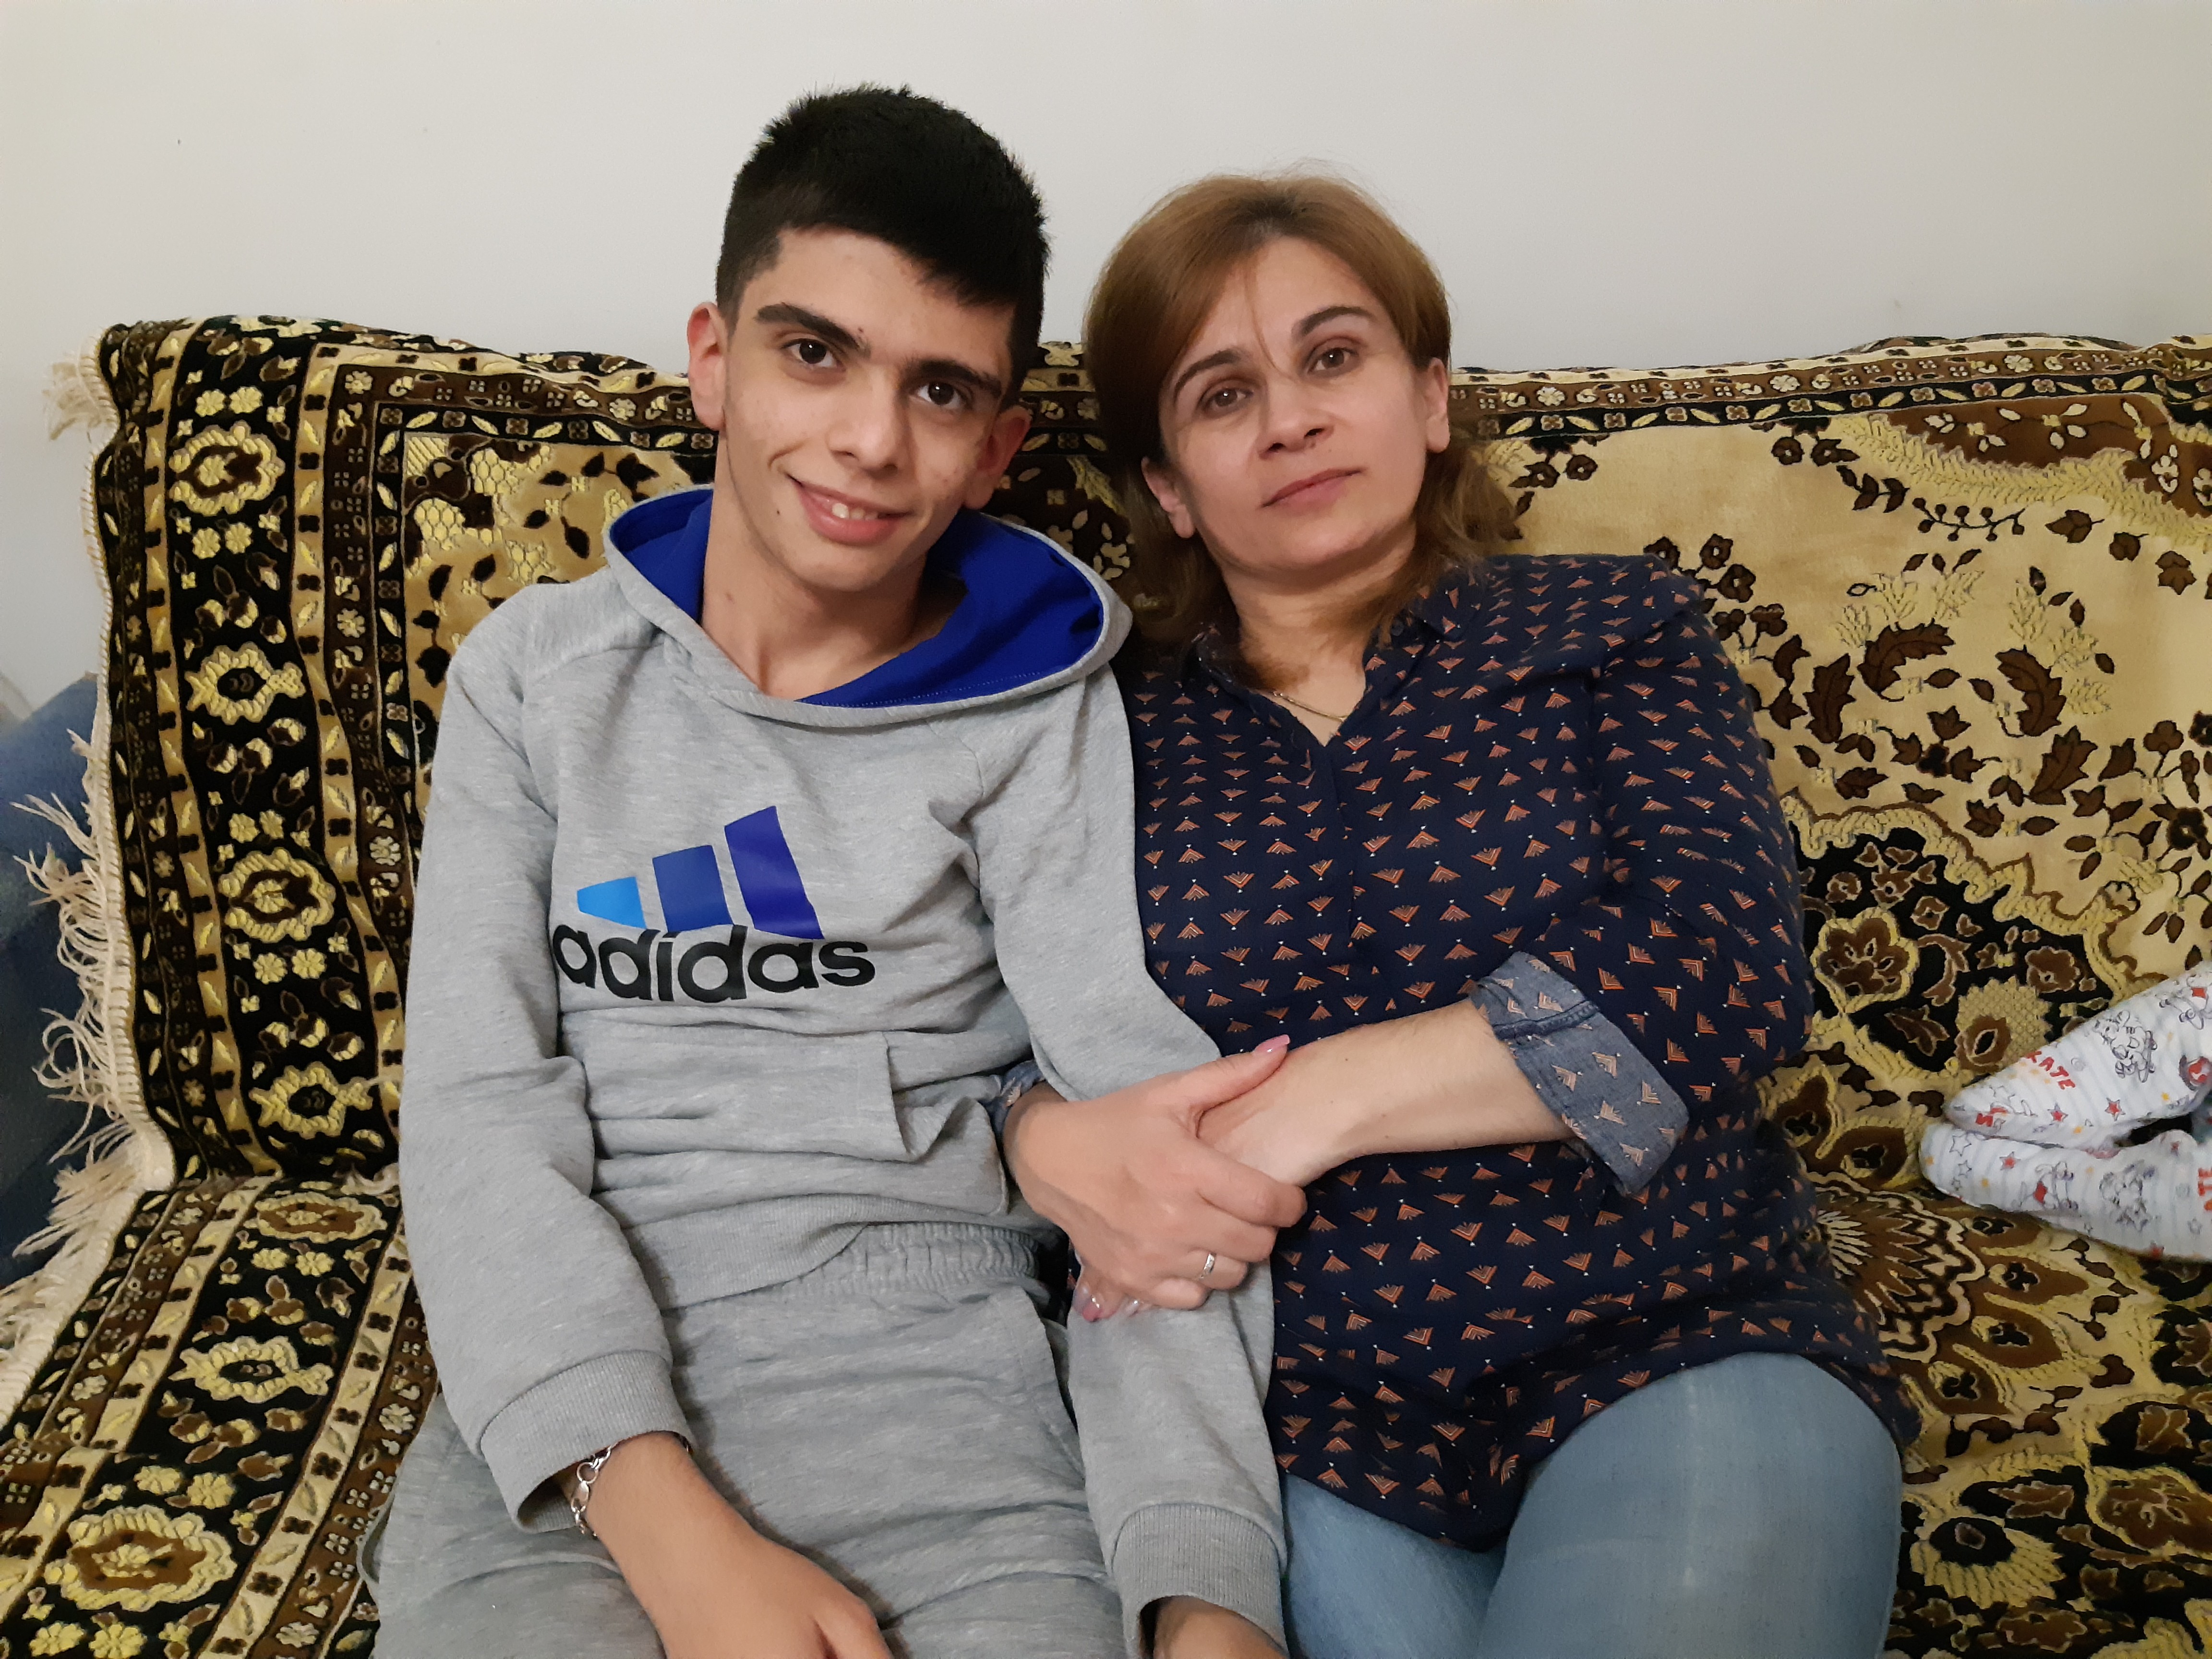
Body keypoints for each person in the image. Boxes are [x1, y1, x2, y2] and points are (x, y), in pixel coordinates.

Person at [376, 91, 1305, 1659]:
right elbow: (477, 1118)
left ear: (999, 449)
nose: (873, 440)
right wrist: (661, 1518)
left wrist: (1211, 1603)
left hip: (949, 1407)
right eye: (816, 352)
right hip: (579, 1417)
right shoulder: (534, 681)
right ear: (714, 359)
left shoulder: (1042, 708)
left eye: (940, 390)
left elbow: (1149, 1150)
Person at [1001, 174, 1916, 1659]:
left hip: (1671, 1336)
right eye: (1224, 394)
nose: (1290, 420)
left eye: (1333, 357)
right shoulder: (1086, 734)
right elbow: (964, 1032)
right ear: (1168, 488)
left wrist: (1310, 1104)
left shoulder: (1607, 627)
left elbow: (1722, 965)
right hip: (1297, 1432)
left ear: (1430, 399)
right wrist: (1039, 1139)